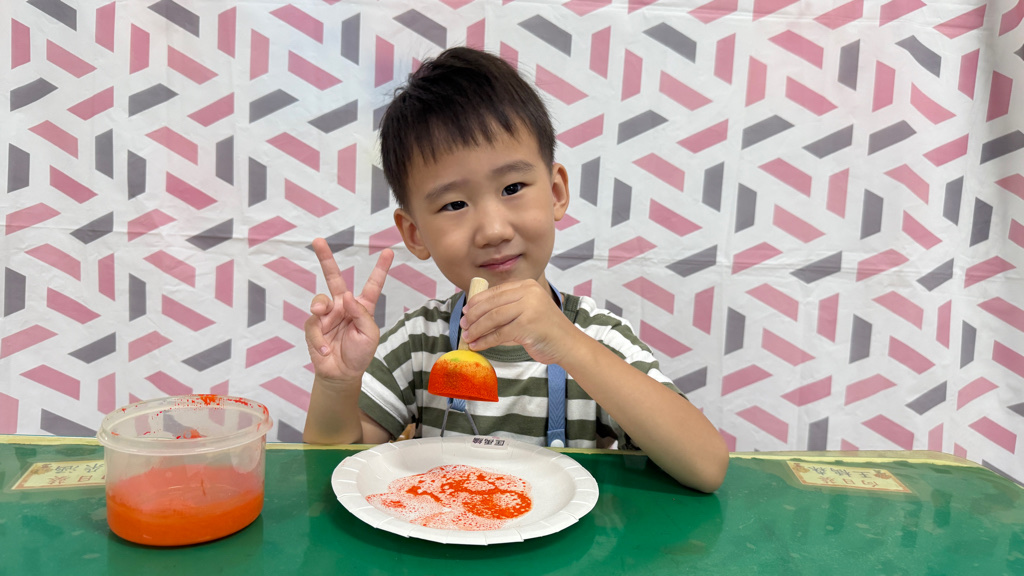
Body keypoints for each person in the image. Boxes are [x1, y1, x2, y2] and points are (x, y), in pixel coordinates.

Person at [303, 46, 728, 492]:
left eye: (512, 187)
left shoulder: (598, 338)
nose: (492, 230)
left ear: (556, 192)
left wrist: (568, 345)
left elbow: (706, 467)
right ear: (414, 233)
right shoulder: (418, 344)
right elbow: (335, 470)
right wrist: (338, 384)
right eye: (454, 204)